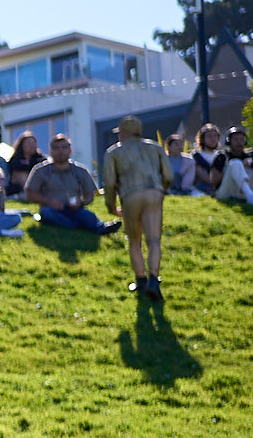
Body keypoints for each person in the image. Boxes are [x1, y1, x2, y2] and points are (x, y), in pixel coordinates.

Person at [99, 113, 173, 301]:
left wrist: (111, 206)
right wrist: (160, 190)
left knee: (134, 241)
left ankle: (140, 280)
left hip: (130, 194)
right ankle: (154, 279)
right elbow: (169, 176)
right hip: (154, 192)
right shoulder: (155, 147)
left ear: (122, 134)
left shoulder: (114, 152)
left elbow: (109, 183)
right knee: (154, 240)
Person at [22, 134, 121, 235]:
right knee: (47, 214)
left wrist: (81, 203)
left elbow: (90, 195)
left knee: (87, 215)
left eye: (64, 147)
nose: (60, 151)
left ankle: (102, 227)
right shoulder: (41, 170)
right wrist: (49, 202)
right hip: (51, 209)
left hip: (75, 210)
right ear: (50, 152)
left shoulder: (80, 171)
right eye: (56, 148)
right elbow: (30, 193)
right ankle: (76, 226)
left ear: (70, 150)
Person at [2, 131, 43, 198]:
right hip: (18, 185)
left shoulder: (39, 158)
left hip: (37, 185)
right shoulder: (16, 158)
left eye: (33, 143)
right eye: (28, 143)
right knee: (19, 173)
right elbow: (15, 166)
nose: (31, 145)